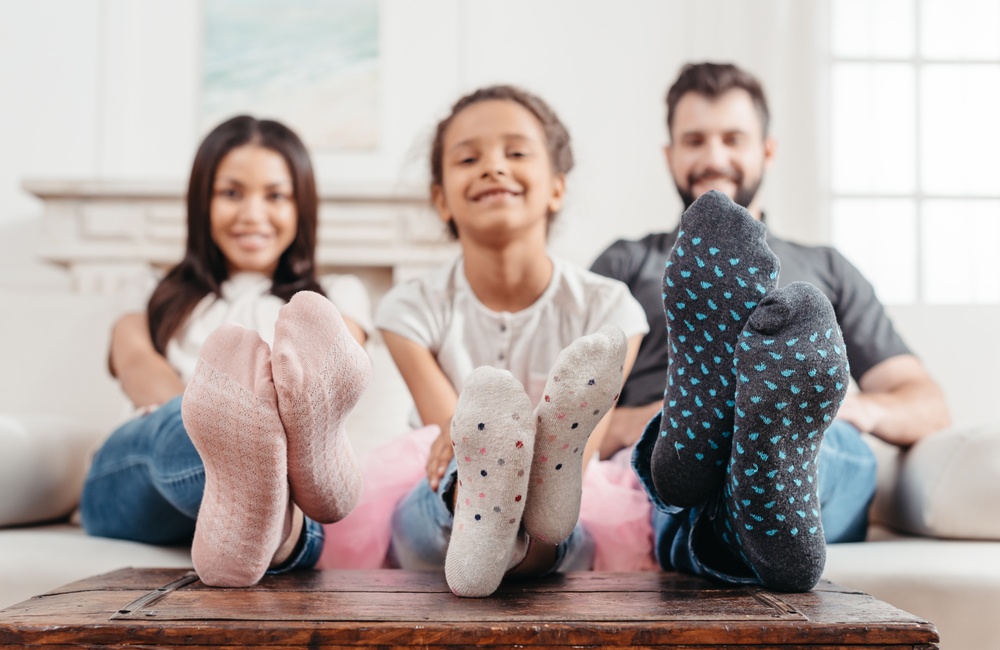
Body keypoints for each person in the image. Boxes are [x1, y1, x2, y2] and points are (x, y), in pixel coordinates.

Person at [590, 62, 951, 592]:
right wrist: (673, 416)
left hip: (816, 447)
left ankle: (757, 462)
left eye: (733, 138)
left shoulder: (827, 266)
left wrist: (848, 408)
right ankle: (705, 448)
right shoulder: (628, 263)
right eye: (694, 140)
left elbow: (929, 405)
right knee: (689, 467)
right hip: (668, 436)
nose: (713, 157)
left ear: (767, 150)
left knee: (813, 448)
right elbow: (572, 411)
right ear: (670, 154)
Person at [375, 85, 650, 597]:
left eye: (517, 153)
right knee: (455, 476)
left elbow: (582, 452)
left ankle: (516, 546)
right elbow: (447, 441)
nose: (493, 167)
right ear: (441, 199)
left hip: (563, 494)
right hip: (446, 491)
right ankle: (482, 524)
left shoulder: (609, 309)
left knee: (561, 505)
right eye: (468, 157)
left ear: (556, 188)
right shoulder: (409, 308)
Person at [79, 115, 374, 588]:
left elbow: (340, 360)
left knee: (277, 449)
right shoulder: (149, 288)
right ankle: (275, 503)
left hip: (275, 462)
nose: (253, 214)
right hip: (140, 468)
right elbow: (137, 364)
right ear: (202, 202)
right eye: (231, 193)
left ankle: (274, 528)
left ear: (302, 206)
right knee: (202, 422)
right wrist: (207, 413)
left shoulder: (334, 295)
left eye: (275, 195)